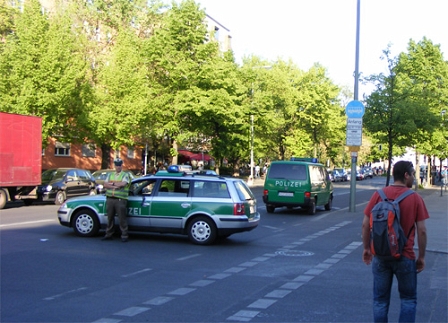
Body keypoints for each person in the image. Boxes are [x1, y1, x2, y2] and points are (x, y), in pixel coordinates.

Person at [361, 160, 429, 322]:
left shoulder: (379, 195)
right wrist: (421, 257)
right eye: (412, 174)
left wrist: (366, 248)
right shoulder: (415, 198)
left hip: (381, 255)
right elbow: (422, 230)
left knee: (380, 300)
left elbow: (365, 224)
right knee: (408, 299)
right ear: (406, 175)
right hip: (405, 256)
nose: (414, 177)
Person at [102, 158, 131, 242]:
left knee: (122, 218)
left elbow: (123, 184)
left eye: (119, 165)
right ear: (114, 166)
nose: (118, 167)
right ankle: (108, 234)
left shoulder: (125, 175)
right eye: (117, 165)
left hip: (120, 200)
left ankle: (124, 235)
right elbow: (105, 184)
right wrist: (115, 185)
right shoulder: (110, 175)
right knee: (110, 218)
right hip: (110, 198)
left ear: (122, 165)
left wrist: (112, 184)